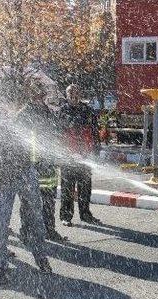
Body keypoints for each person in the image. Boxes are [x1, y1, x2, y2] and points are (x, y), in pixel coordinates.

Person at [0, 82, 52, 279]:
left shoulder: (19, 112)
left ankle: (40, 255)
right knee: (1, 221)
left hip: (24, 170)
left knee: (36, 215)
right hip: (2, 176)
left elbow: (33, 134)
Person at [16, 84, 66, 242]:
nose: (39, 96)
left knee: (49, 200)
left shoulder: (49, 112)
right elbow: (17, 140)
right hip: (29, 164)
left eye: (41, 93)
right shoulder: (23, 113)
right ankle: (26, 232)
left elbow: (56, 135)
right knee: (28, 201)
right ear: (31, 95)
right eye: (36, 93)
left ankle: (49, 230)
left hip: (48, 163)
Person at [58, 84, 102, 227]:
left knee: (85, 188)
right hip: (68, 157)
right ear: (67, 95)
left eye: (76, 93)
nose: (74, 96)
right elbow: (58, 134)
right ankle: (66, 216)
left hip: (85, 156)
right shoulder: (62, 111)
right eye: (71, 93)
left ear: (80, 94)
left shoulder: (88, 111)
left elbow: (95, 133)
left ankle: (85, 214)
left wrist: (96, 152)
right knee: (67, 189)